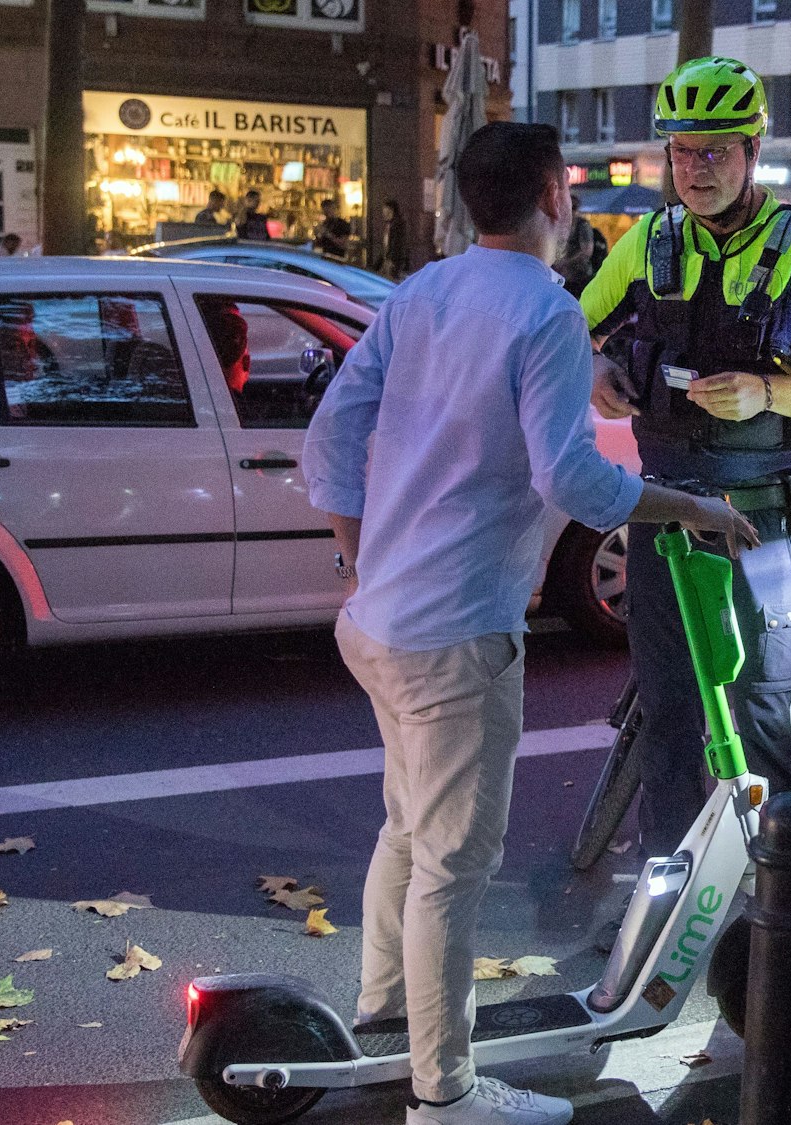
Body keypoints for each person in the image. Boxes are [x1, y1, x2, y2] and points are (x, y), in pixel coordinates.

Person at [304, 122, 756, 1125]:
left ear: (468, 200)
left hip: (379, 618)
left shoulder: (419, 292)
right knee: (453, 865)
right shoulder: (543, 313)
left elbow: (332, 429)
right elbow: (572, 477)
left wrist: (357, 554)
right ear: (555, 196)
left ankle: (388, 1011)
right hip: (458, 629)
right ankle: (441, 1090)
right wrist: (693, 508)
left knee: (408, 830)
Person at [579, 56, 791, 864]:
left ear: (755, 149)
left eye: (716, 149)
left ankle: (784, 893)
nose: (696, 168)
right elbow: (566, 329)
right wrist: (592, 368)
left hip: (765, 521)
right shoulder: (649, 241)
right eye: (683, 151)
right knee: (671, 706)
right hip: (663, 518)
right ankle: (674, 889)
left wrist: (768, 393)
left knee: (763, 705)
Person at [374, 199, 413, 279]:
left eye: (384, 209)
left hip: (393, 263)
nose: (383, 212)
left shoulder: (397, 225)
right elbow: (386, 246)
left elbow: (397, 245)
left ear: (390, 209)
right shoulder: (390, 225)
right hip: (389, 262)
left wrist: (392, 262)